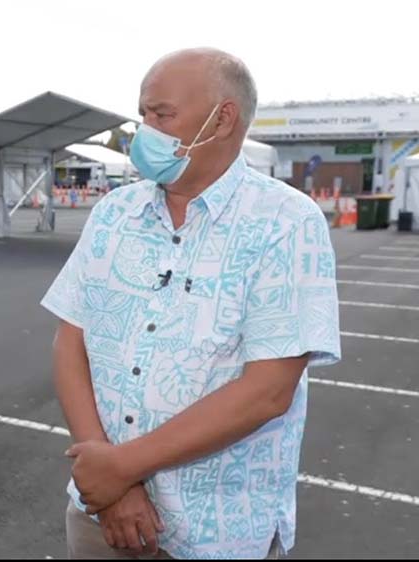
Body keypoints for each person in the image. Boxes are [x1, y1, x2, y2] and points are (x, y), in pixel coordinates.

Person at [42, 48, 341, 560]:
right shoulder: (116, 212)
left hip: (216, 534)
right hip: (100, 514)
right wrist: (110, 477)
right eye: (143, 115)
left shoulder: (285, 222)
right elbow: (71, 340)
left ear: (222, 118)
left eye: (161, 115)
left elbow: (267, 392)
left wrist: (123, 467)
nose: (144, 131)